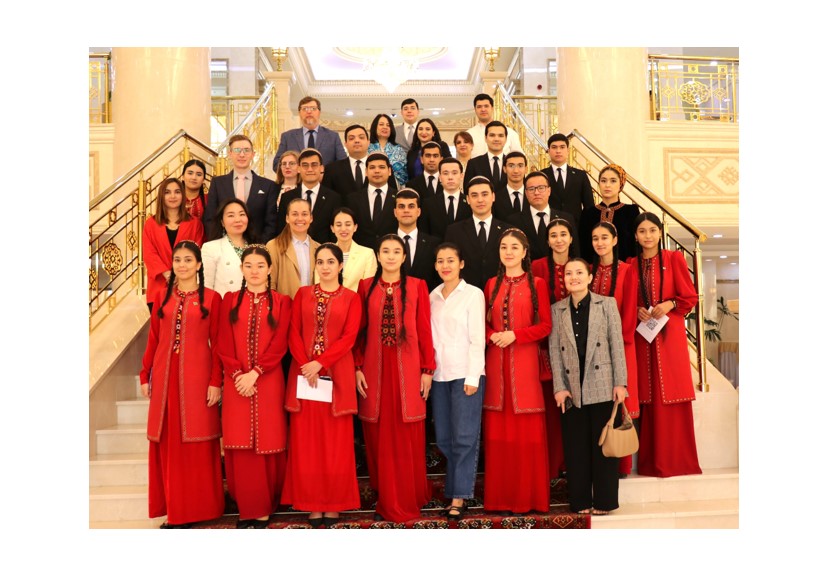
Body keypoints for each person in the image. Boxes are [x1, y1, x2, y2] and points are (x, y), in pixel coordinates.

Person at [140, 241, 224, 528]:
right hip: (165, 381)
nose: (182, 265)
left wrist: (215, 381)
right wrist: (145, 374)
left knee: (196, 443)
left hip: (197, 380)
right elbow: (154, 338)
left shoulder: (212, 299)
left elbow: (218, 344)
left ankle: (199, 509)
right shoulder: (162, 297)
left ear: (199, 264)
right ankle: (174, 510)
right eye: (177, 260)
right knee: (168, 445)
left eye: (188, 260)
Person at [355, 234, 435, 523]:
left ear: (404, 257)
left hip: (408, 371)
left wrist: (427, 369)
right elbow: (359, 331)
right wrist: (356, 367)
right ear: (378, 256)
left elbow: (424, 329)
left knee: (406, 433)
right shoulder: (365, 286)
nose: (390, 256)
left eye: (396, 252)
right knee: (378, 435)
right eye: (385, 251)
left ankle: (408, 496)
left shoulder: (417, 285)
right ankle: (385, 495)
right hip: (374, 371)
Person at [282, 243, 363, 528]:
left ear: (340, 266)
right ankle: (311, 504)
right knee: (306, 443)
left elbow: (349, 337)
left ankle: (334, 505)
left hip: (336, 376)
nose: (325, 267)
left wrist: (321, 363)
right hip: (304, 376)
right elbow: (293, 332)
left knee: (335, 444)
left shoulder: (352, 298)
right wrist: (307, 363)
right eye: (320, 262)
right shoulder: (302, 294)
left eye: (331, 262)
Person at [219, 245, 292, 528]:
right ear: (241, 269)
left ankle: (264, 507)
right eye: (248, 265)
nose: (254, 271)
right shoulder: (229, 301)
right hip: (235, 382)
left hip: (269, 380)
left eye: (260, 265)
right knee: (240, 443)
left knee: (267, 441)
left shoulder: (282, 302)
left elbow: (280, 343)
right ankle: (247, 507)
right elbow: (223, 341)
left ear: (270, 269)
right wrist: (239, 374)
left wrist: (256, 373)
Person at [549, 258, 628, 515]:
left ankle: (605, 502)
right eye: (568, 273)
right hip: (571, 389)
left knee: (604, 447)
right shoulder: (557, 309)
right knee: (576, 449)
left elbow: (617, 344)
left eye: (579, 272)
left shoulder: (607, 304)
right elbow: (554, 352)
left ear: (589, 277)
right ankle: (580, 501)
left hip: (603, 384)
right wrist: (559, 387)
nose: (574, 277)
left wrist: (620, 382)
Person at [625, 213, 701, 478]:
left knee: (671, 390)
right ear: (635, 236)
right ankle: (650, 463)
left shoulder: (674, 259)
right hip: (642, 336)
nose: (647, 236)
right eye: (642, 231)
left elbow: (690, 297)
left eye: (652, 230)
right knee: (647, 394)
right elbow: (626, 300)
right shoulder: (630, 264)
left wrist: (670, 303)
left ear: (660, 233)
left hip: (670, 335)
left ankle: (678, 461)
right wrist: (636, 309)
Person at [482, 228, 551, 514]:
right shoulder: (490, 284)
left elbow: (546, 326)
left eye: (514, 247)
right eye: (503, 247)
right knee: (499, 433)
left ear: (524, 252)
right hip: (496, 363)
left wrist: (516, 335)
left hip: (525, 364)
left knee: (526, 434)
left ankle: (528, 499)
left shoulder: (538, 284)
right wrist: (492, 336)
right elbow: (483, 323)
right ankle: (500, 499)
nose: (508, 252)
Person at [429, 242, 486, 520]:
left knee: (464, 437)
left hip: (465, 373)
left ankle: (459, 496)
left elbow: (477, 337)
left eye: (451, 260)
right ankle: (454, 489)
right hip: (439, 375)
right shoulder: (432, 295)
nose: (446, 265)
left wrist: (474, 375)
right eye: (440, 261)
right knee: (444, 437)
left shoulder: (473, 294)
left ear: (461, 264)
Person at [590, 221, 640, 476]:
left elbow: (629, 311)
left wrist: (617, 342)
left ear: (615, 240)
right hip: (593, 349)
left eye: (604, 238)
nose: (600, 243)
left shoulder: (627, 270)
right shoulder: (590, 271)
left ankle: (621, 462)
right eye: (595, 238)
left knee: (620, 399)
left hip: (621, 345)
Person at [531, 216, 577, 478]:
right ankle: (551, 463)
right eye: (553, 235)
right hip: (546, 345)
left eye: (563, 234)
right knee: (551, 408)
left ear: (571, 238)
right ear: (547, 241)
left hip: (577, 345)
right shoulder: (537, 267)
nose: (559, 240)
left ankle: (572, 463)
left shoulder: (581, 266)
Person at [142, 177, 204, 313]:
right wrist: (167, 274)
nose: (173, 196)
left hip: (187, 286)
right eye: (167, 192)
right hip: (158, 287)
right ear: (161, 196)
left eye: (177, 192)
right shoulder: (150, 224)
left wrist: (179, 273)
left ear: (183, 195)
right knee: (160, 326)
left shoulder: (194, 224)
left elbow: (197, 251)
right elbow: (149, 253)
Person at [204, 135, 279, 242]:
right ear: (230, 154)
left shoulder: (268, 185)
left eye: (246, 150)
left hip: (257, 246)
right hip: (224, 246)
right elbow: (211, 218)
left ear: (253, 154)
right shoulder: (217, 183)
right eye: (237, 150)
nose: (242, 154)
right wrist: (219, 243)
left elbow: (271, 222)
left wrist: (259, 246)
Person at [443, 176, 511, 290]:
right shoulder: (454, 231)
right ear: (468, 199)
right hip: (464, 294)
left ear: (493, 197)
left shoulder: (507, 231)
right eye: (474, 195)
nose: (480, 200)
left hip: (501, 291)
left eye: (484, 194)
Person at [276, 148, 341, 244]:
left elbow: (335, 231)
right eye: (305, 165)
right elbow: (281, 230)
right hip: (292, 249)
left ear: (321, 168)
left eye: (314, 165)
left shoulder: (334, 198)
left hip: (324, 249)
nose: (310, 169)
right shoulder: (287, 197)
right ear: (298, 168)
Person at [507, 170, 576, 261]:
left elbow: (575, 251)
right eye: (531, 189)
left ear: (549, 191)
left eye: (541, 188)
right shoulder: (514, 221)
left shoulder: (566, 218)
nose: (536, 192)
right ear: (526, 193)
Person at [579, 164, 640, 265]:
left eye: (613, 181)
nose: (607, 185)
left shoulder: (630, 211)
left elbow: (635, 246)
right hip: (593, 269)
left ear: (621, 184)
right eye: (603, 181)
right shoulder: (588, 213)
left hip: (625, 269)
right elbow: (583, 246)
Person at [265, 198, 319, 300]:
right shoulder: (273, 246)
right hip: (285, 307)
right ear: (287, 218)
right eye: (295, 214)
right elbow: (270, 284)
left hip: (313, 306)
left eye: (304, 214)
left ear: (311, 218)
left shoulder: (319, 248)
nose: (300, 218)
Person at [201, 198, 257, 296]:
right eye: (231, 215)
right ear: (222, 222)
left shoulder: (257, 247)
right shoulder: (210, 248)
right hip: (224, 303)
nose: (238, 220)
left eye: (242, 214)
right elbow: (206, 287)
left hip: (252, 303)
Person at [272, 96, 346, 170]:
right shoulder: (288, 137)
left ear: (319, 112)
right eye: (305, 109)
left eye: (313, 108)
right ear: (299, 113)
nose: (309, 112)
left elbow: (343, 164)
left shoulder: (333, 137)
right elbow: (276, 164)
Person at [540, 133, 595, 226]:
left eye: (562, 147)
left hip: (576, 227)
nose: (558, 151)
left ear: (568, 150)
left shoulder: (580, 175)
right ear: (548, 151)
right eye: (554, 147)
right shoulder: (542, 175)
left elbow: (589, 206)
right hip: (549, 226)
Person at [346, 153, 399, 250]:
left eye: (381, 167)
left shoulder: (399, 198)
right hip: (361, 253)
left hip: (390, 252)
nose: (377, 171)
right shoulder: (352, 199)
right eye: (372, 167)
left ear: (389, 171)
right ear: (366, 172)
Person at [394, 188, 440, 291]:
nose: (406, 210)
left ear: (418, 212)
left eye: (411, 206)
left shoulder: (434, 244)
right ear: (395, 212)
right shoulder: (385, 243)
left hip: (426, 298)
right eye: (401, 206)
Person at [325, 207, 377, 291]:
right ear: (332, 228)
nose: (343, 229)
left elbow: (369, 288)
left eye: (348, 224)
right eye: (338, 225)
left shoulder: (367, 254)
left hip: (357, 299)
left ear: (355, 227)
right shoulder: (325, 253)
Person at [419, 157, 472, 235]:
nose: (450, 177)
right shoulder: (428, 204)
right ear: (440, 177)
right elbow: (424, 233)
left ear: (461, 176)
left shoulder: (470, 202)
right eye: (445, 173)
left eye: (454, 173)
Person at [466, 93, 522, 158]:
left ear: (492, 108)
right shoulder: (469, 134)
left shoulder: (510, 133)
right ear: (475, 110)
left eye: (486, 106)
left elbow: (519, 157)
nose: (483, 110)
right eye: (479, 107)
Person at [324, 124, 372, 198]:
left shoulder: (380, 168)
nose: (357, 141)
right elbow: (327, 197)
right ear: (345, 144)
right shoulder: (332, 169)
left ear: (368, 142)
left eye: (361, 137)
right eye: (351, 138)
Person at [464, 120, 509, 190]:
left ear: (506, 139)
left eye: (500, 136)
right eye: (492, 135)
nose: (496, 139)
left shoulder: (512, 163)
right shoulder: (473, 163)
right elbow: (467, 190)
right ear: (485, 138)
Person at [368, 114, 409, 188]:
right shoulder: (367, 148)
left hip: (396, 188)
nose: (385, 127)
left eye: (388, 125)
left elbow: (404, 174)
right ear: (375, 127)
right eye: (381, 124)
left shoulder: (399, 149)